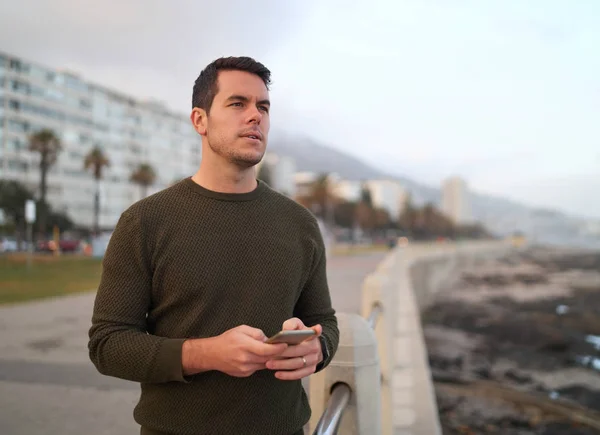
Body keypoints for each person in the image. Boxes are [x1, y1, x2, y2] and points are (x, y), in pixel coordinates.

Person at [88, 56, 339, 435]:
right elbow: (108, 344)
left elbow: (326, 323)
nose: (255, 116)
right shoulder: (144, 222)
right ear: (199, 120)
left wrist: (317, 351)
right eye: (238, 103)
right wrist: (206, 354)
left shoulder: (299, 224)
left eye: (263, 107)